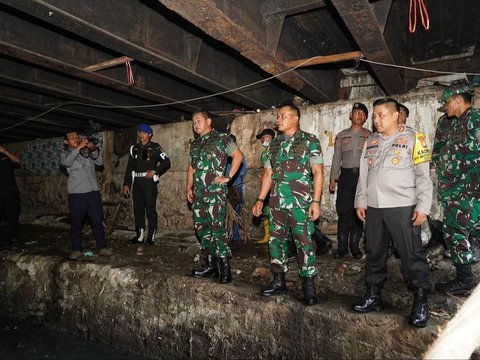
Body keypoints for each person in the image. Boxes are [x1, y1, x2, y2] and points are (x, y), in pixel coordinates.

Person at [353, 97, 433, 327]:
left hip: (403, 206)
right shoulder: (371, 141)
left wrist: (423, 206)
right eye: (375, 116)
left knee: (411, 253)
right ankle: (373, 293)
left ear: (396, 115)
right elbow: (364, 175)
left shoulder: (413, 139)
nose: (377, 120)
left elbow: (423, 176)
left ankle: (420, 299)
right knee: (374, 251)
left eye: (382, 115)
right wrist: (361, 200)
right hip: (375, 208)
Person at [252, 103, 324, 305]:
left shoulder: (310, 141)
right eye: (278, 116)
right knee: (275, 241)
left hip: (300, 203)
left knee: (303, 242)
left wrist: (316, 201)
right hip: (276, 203)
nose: (279, 120)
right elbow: (268, 173)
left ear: (295, 118)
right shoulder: (273, 145)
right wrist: (260, 199)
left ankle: (309, 286)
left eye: (283, 116)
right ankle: (278, 281)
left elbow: (317, 172)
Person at [187, 110, 244, 283]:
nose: (195, 124)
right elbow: (191, 168)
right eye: (193, 122)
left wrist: (228, 177)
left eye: (198, 120)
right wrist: (188, 187)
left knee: (217, 229)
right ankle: (210, 266)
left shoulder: (222, 138)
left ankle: (225, 268)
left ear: (209, 121)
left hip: (214, 194)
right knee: (202, 229)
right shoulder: (195, 145)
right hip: (198, 194)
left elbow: (238, 156)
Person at [434, 81, 480, 295]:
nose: (446, 106)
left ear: (458, 100)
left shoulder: (475, 120)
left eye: (447, 102)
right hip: (457, 190)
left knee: (453, 230)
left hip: (467, 191)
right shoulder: (459, 122)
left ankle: (465, 279)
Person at [329, 102, 371, 259]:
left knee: (359, 212)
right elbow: (336, 158)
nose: (359, 115)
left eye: (362, 113)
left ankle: (355, 247)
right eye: (356, 112)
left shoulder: (370, 135)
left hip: (363, 176)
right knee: (344, 211)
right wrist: (333, 177)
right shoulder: (341, 135)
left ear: (366, 118)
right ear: (350, 115)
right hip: (345, 177)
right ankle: (341, 248)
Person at [61, 132, 111, 260]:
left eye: (77, 137)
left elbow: (99, 162)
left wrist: (92, 149)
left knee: (97, 221)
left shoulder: (85, 152)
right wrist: (78, 148)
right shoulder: (65, 154)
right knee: (76, 223)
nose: (76, 138)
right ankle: (76, 249)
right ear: (66, 142)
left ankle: (102, 247)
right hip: (77, 194)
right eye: (72, 137)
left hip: (93, 192)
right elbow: (67, 163)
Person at [122, 124, 171, 245]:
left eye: (144, 133)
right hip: (137, 182)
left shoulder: (155, 147)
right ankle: (139, 236)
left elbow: (166, 162)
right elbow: (130, 167)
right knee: (138, 209)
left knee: (150, 209)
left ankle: (151, 236)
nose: (141, 135)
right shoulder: (135, 149)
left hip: (149, 183)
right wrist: (127, 184)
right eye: (139, 132)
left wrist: (155, 171)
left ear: (149, 135)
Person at [225, 134, 247, 242]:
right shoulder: (223, 156)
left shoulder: (239, 156)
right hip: (225, 189)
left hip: (236, 188)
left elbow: (242, 172)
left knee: (236, 214)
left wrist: (229, 177)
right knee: (226, 214)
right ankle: (226, 236)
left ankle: (235, 237)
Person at [255, 128, 275, 244]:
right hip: (267, 186)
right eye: (261, 138)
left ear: (270, 137)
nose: (262, 140)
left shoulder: (275, 150)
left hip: (274, 187)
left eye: (264, 137)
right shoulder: (264, 153)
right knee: (266, 211)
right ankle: (268, 235)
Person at [0, 145, 21, 246]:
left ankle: (11, 237)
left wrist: (4, 151)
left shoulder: (6, 155)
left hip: (11, 191)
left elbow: (17, 160)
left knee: (13, 214)